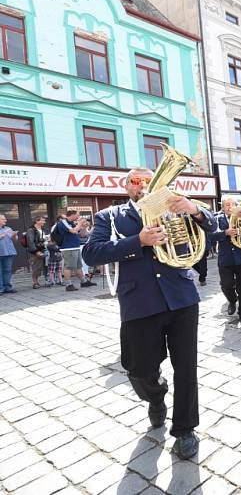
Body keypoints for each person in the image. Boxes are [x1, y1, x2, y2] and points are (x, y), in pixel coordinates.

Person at [82, 167, 217, 459]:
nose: (143, 185)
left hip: (181, 298)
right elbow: (91, 253)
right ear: (126, 186)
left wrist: (194, 210)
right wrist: (138, 241)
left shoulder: (174, 207)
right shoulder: (111, 216)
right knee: (139, 369)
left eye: (148, 179)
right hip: (139, 303)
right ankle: (156, 398)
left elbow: (213, 227)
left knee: (186, 367)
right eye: (135, 181)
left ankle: (184, 429)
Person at [209, 197, 241, 329]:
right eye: (227, 205)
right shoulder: (217, 219)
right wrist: (225, 233)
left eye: (233, 204)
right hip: (226, 258)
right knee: (226, 284)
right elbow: (210, 235)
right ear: (223, 207)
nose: (230, 207)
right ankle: (232, 300)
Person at [54, 210, 95, 292]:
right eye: (77, 215)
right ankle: (68, 285)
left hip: (75, 247)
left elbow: (79, 233)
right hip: (68, 248)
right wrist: (80, 223)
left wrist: (83, 227)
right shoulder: (63, 223)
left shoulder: (71, 223)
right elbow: (73, 231)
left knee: (78, 266)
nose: (78, 217)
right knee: (68, 266)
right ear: (72, 215)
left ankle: (83, 282)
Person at [26, 216, 48, 289]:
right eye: (42, 220)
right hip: (36, 251)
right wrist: (36, 251)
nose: (44, 222)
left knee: (44, 266)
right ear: (37, 221)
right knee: (36, 267)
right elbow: (31, 242)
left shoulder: (43, 229)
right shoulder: (31, 230)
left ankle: (46, 281)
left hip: (44, 249)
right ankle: (35, 283)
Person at [0, 215, 18, 294]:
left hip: (8, 253)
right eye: (3, 219)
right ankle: (1, 288)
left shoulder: (8, 229)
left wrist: (14, 235)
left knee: (7, 270)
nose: (5, 220)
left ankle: (7, 287)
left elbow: (15, 239)